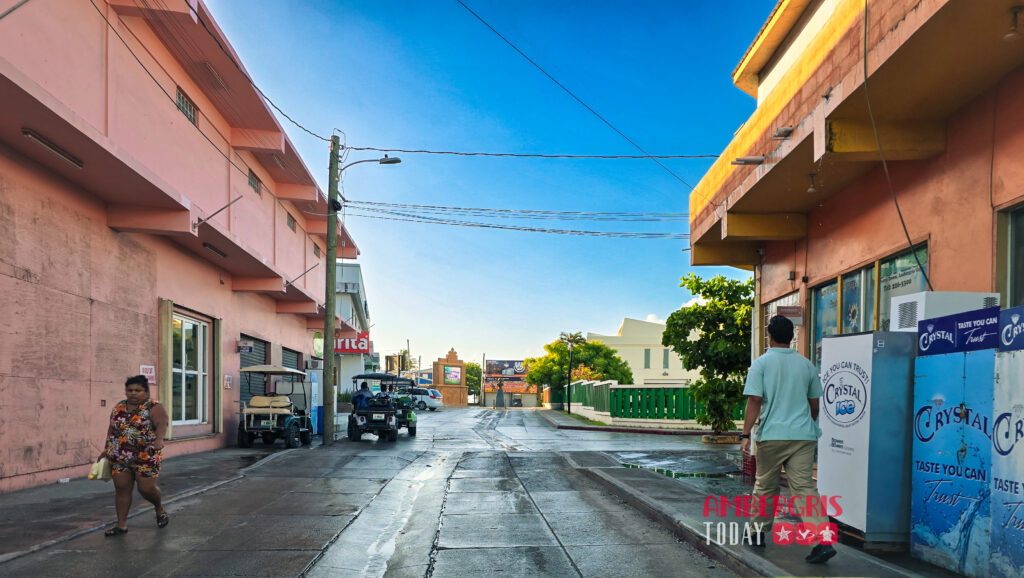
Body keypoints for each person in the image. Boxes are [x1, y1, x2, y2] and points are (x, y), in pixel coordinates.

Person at [740, 315, 836, 565]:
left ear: (769, 336)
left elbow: (754, 401)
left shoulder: (760, 364)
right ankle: (823, 540)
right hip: (803, 436)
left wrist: (745, 434)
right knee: (804, 487)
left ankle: (757, 533)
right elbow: (815, 404)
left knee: (765, 486)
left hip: (772, 435)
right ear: (791, 337)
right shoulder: (807, 365)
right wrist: (805, 424)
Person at [99, 375, 169, 536]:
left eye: (138, 390)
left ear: (146, 391)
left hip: (146, 455)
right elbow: (112, 430)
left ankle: (159, 508)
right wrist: (106, 449)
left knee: (146, 489)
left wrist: (159, 439)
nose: (133, 393)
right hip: (120, 455)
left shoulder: (153, 407)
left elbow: (162, 424)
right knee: (122, 489)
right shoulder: (118, 407)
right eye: (130, 390)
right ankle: (121, 525)